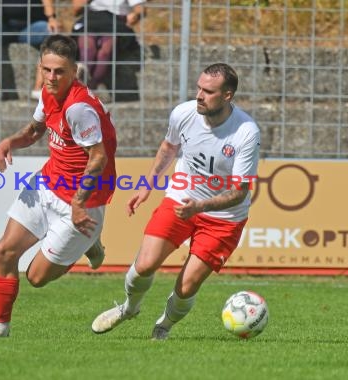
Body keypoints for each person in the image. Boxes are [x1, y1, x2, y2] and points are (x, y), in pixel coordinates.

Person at [91, 63, 261, 340]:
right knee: (144, 265)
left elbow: (239, 192)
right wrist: (148, 185)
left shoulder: (245, 132)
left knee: (187, 286)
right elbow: (169, 147)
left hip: (224, 217)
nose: (199, 95)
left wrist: (201, 206)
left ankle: (164, 326)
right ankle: (129, 308)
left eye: (208, 91)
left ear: (228, 95)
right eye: (199, 88)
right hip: (181, 199)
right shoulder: (183, 113)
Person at [0, 34, 117, 339]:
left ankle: (89, 241)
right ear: (40, 66)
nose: (52, 77)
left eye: (60, 71)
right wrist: (9, 142)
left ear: (73, 71)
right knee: (4, 250)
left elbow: (98, 159)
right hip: (47, 184)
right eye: (47, 70)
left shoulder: (79, 108)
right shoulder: (47, 92)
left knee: (36, 278)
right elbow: (36, 130)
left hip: (82, 202)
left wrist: (78, 204)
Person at [0, 0, 61, 101]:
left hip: (32, 26)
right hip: (2, 26)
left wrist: (51, 18)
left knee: (52, 34)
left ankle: (39, 89)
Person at [71, 0, 145, 98]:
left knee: (104, 53)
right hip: (91, 19)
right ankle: (79, 89)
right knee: (88, 50)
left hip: (116, 21)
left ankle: (89, 89)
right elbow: (76, 10)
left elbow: (140, 10)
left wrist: (135, 15)